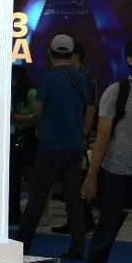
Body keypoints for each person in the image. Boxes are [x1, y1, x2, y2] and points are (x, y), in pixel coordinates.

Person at [16, 34, 92, 259]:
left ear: (50, 53)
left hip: (50, 145)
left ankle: (23, 244)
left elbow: (37, 110)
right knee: (73, 198)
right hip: (74, 145)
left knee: (38, 196)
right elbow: (90, 108)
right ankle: (77, 247)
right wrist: (83, 133)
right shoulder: (82, 78)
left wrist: (40, 126)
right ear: (71, 54)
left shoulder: (48, 79)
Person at [81, 39, 132, 263]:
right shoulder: (117, 92)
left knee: (105, 233)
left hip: (119, 173)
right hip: (116, 174)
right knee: (105, 234)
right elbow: (101, 140)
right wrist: (92, 177)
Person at [53, 41, 99, 234]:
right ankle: (79, 220)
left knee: (74, 178)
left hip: (78, 135)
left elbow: (91, 106)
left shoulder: (86, 78)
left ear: (76, 55)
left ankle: (82, 220)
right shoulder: (78, 76)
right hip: (70, 134)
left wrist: (84, 132)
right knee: (71, 179)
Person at [9, 64, 38, 226]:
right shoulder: (12, 92)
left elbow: (38, 115)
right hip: (15, 136)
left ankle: (35, 211)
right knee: (14, 176)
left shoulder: (31, 93)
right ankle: (15, 213)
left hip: (28, 137)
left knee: (29, 174)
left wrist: (20, 118)